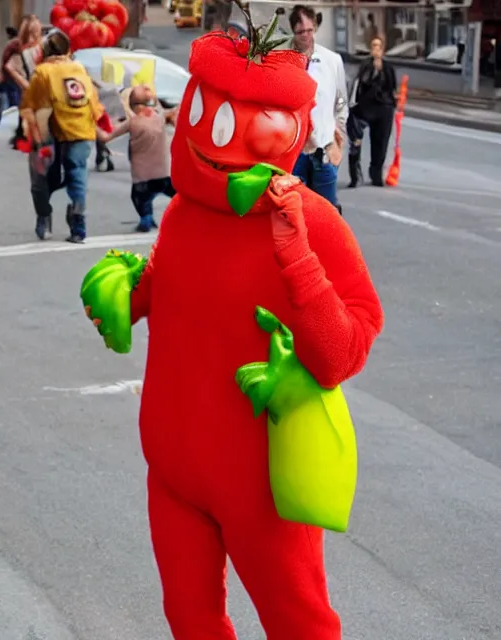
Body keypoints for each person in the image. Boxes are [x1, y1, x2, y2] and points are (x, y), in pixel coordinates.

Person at [80, 24, 384, 640]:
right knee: (189, 619)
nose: (214, 137)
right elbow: (175, 287)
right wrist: (123, 293)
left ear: (287, 130)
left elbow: (344, 350)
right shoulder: (185, 213)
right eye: (203, 109)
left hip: (261, 480)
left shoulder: (312, 221)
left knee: (298, 623)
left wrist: (296, 257)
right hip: (172, 469)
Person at [20, 27, 111, 243]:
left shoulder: (43, 72)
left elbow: (30, 107)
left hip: (51, 133)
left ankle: (44, 216)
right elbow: (94, 104)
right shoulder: (79, 69)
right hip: (82, 131)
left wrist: (28, 135)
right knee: (77, 175)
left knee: (41, 178)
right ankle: (78, 223)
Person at [289, 5, 347, 214]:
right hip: (294, 152)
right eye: (300, 32)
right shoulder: (285, 61)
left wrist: (340, 139)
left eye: (309, 30)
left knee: (326, 212)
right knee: (293, 212)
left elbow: (341, 103)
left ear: (314, 27)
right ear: (293, 31)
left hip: (324, 148)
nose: (305, 36)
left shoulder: (332, 60)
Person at [96, 83, 177, 232]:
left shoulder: (132, 122)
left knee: (140, 198)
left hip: (143, 177)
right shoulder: (160, 117)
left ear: (131, 106)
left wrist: (90, 125)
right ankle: (191, 215)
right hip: (164, 173)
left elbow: (106, 137)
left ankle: (146, 218)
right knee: (177, 194)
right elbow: (170, 111)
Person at [347, 35, 397, 188]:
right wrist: (374, 67)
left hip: (383, 108)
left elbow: (391, 86)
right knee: (355, 140)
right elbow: (361, 82)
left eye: (379, 47)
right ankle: (355, 175)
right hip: (365, 107)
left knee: (380, 142)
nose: (376, 49)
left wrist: (393, 102)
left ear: (383, 49)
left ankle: (376, 174)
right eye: (374, 46)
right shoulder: (366, 65)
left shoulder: (388, 67)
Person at [0, 14, 42, 147]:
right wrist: (25, 84)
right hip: (29, 85)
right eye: (32, 33)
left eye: (36, 32)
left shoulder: (39, 46)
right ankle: (26, 136)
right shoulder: (19, 49)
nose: (34, 37)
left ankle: (26, 136)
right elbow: (9, 65)